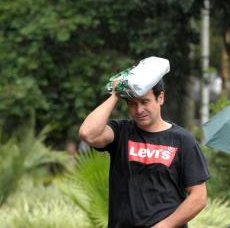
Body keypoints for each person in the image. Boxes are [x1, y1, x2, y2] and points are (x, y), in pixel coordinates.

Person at [79, 79, 210, 228]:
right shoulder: (121, 132)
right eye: (132, 104)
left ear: (160, 98)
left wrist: (164, 226)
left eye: (144, 102)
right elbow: (87, 133)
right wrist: (115, 95)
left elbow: (199, 197)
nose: (139, 110)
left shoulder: (183, 140)